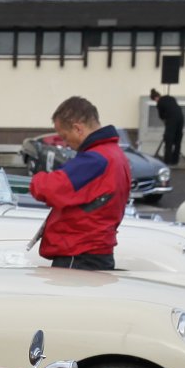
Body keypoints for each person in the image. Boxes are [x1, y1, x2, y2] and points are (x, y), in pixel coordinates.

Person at [26, 96, 131, 270]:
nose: (67, 144)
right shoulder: (116, 154)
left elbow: (50, 189)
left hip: (78, 254)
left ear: (77, 129)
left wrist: (38, 178)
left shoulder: (95, 159)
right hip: (98, 250)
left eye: (65, 136)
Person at [151, 88, 183, 166]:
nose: (155, 101)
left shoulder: (159, 103)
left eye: (154, 100)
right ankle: (175, 161)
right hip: (181, 118)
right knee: (178, 140)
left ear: (156, 98)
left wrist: (166, 119)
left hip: (171, 120)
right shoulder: (170, 97)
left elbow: (161, 116)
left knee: (169, 140)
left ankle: (167, 161)